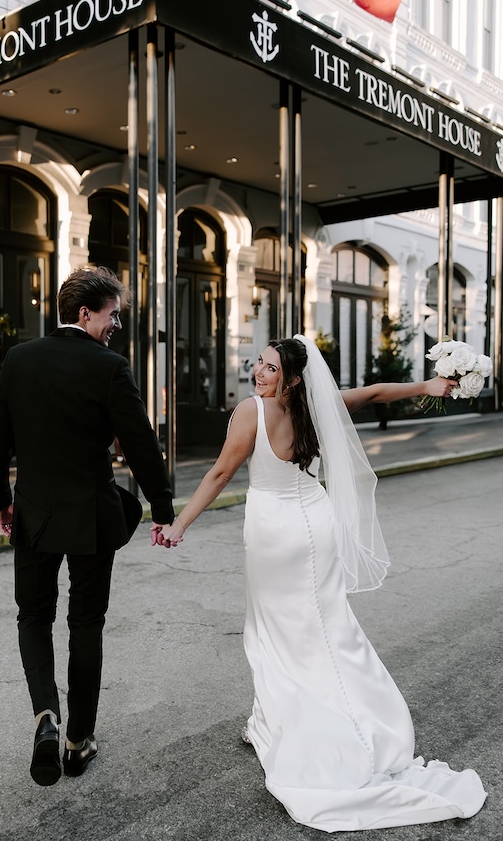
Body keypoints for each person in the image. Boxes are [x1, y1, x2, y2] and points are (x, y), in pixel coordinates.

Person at [152, 335, 487, 833]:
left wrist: (180, 524)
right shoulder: (314, 403)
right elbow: (372, 394)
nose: (257, 373)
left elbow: (222, 472)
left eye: (268, 368)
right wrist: (432, 384)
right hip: (315, 518)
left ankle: (307, 727)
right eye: (257, 364)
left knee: (278, 630)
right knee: (324, 626)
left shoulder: (251, 411)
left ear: (289, 378)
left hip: (274, 531)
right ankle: (312, 719)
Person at [0, 266, 174, 787]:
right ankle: (78, 740)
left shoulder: (19, 360)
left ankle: (46, 715)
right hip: (90, 516)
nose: (115, 325)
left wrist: (0, 500)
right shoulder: (110, 367)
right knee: (86, 624)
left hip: (35, 515)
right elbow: (140, 444)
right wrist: (161, 505)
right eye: (112, 315)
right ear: (85, 313)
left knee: (33, 617)